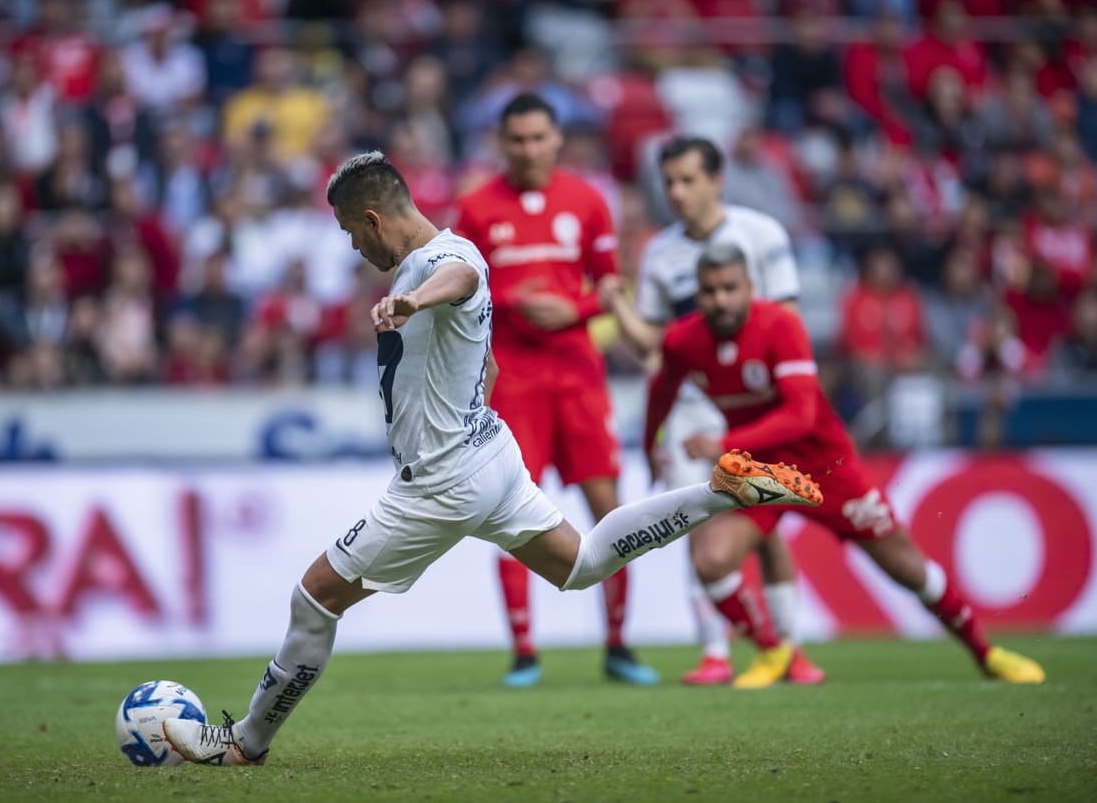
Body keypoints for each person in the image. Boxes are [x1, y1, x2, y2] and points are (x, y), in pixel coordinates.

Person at [162, 152, 822, 766]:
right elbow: (485, 343)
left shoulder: (435, 263)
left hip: (440, 482)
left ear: (371, 218)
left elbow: (463, 279)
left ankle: (246, 741)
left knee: (314, 598)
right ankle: (720, 491)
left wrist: (412, 300)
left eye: (349, 231)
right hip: (490, 456)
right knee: (584, 563)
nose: (352, 247)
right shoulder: (446, 250)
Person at [642, 242, 1046, 688]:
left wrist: (724, 441)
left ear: (750, 288)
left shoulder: (780, 326)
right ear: (697, 295)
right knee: (710, 561)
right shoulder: (683, 340)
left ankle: (987, 654)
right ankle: (774, 650)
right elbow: (661, 394)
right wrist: (649, 444)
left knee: (908, 570)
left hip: (825, 467)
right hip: (760, 472)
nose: (720, 299)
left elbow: (800, 416)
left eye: (729, 288)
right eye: (710, 290)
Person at [603, 136, 824, 686]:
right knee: (695, 527)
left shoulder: (761, 235)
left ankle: (790, 650)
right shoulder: (660, 252)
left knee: (767, 530)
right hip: (688, 414)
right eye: (669, 182)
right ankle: (716, 652)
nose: (677, 192)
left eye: (687, 180)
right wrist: (615, 306)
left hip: (755, 408)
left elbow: (787, 322)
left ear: (715, 179)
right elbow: (657, 347)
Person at [453, 92, 657, 687]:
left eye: (539, 138)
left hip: (578, 377)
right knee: (511, 512)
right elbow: (462, 290)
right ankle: (524, 652)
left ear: (557, 139)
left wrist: (572, 309)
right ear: (502, 143)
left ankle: (619, 645)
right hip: (512, 381)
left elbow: (611, 287)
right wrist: (513, 302)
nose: (529, 149)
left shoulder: (589, 200)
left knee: (610, 512)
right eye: (517, 140)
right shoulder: (474, 210)